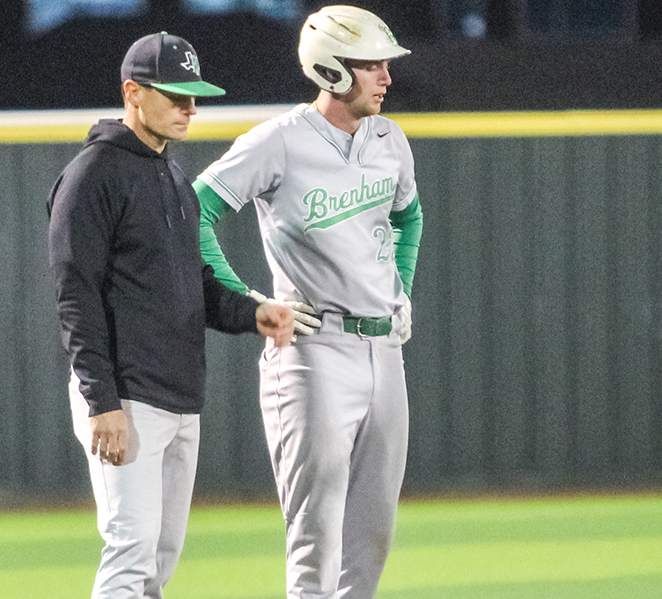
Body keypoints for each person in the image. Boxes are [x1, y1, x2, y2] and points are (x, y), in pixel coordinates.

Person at [47, 32, 295, 599]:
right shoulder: (91, 177)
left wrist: (252, 313)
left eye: (194, 96)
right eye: (176, 95)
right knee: (131, 553)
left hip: (180, 397)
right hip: (126, 397)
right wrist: (101, 403)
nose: (190, 107)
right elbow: (75, 295)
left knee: (158, 561)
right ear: (133, 92)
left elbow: (194, 286)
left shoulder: (174, 177)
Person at [193, 6, 423, 599]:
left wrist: (401, 285)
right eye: (371, 65)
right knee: (316, 544)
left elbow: (409, 216)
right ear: (332, 69)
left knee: (372, 538)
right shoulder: (280, 141)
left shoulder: (390, 139)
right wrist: (244, 298)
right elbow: (196, 211)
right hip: (313, 350)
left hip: (384, 350)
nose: (386, 77)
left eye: (384, 64)